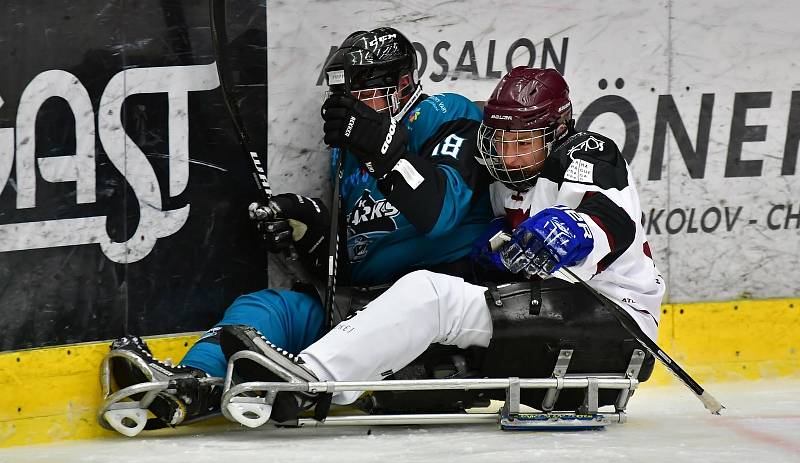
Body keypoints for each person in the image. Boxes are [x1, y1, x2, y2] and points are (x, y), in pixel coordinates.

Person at [101, 27, 494, 432]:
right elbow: (350, 265)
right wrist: (308, 227)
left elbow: (440, 211)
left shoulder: (447, 114)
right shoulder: (349, 154)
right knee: (265, 308)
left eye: (362, 93)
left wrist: (382, 148)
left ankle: (301, 382)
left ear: (402, 84)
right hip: (367, 302)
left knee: (407, 297)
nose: (351, 106)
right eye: (344, 96)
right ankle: (191, 384)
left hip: (433, 308)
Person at [219, 66, 665, 422]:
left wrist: (574, 230)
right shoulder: (501, 186)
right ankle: (336, 376)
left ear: (558, 131)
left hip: (614, 318)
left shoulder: (586, 150)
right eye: (502, 141)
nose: (510, 156)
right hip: (555, 312)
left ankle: (311, 380)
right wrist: (495, 254)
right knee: (430, 289)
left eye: (524, 142)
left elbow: (613, 220)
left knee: (429, 295)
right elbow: (509, 256)